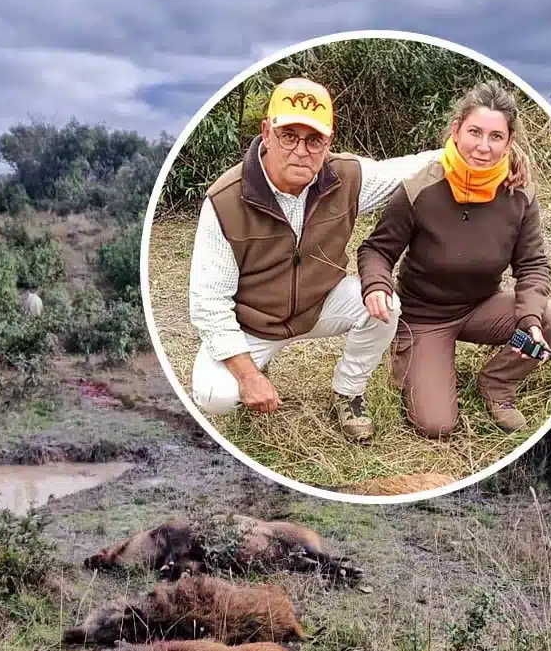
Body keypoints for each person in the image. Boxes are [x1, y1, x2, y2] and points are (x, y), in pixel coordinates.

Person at [188, 77, 445, 443]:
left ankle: (348, 392)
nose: (301, 150)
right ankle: (258, 367)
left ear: (329, 141)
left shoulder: (346, 177)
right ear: (266, 132)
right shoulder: (225, 200)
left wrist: (473, 151)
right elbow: (208, 303)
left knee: (385, 305)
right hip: (252, 322)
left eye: (313, 140)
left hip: (319, 303)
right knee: (216, 396)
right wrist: (247, 374)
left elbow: (407, 169)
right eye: (288, 136)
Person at [357, 79, 551, 438]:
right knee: (436, 426)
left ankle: (497, 384)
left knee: (550, 318)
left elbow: (532, 264)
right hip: (424, 316)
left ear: (509, 141)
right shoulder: (419, 188)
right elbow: (375, 249)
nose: (483, 147)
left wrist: (528, 318)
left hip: (481, 307)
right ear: (456, 130)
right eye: (475, 132)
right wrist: (376, 285)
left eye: (496, 137)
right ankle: (410, 353)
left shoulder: (519, 195)